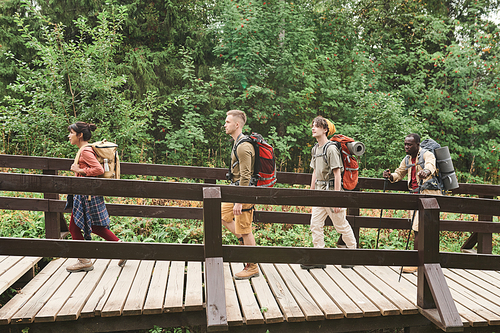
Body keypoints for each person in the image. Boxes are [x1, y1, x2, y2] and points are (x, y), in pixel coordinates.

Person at [66, 121, 126, 272]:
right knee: (94, 226)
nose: (69, 136)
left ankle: (84, 260)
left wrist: (79, 169)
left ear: (80, 135)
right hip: (87, 194)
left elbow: (98, 169)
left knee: (74, 227)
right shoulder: (85, 149)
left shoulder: (85, 151)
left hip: (86, 196)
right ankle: (121, 248)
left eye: (72, 133)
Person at [301, 116, 357, 270]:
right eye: (313, 125)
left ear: (325, 130)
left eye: (317, 126)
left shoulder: (331, 148)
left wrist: (337, 199)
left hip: (332, 192)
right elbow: (314, 172)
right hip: (319, 193)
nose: (313, 128)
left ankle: (353, 254)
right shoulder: (315, 149)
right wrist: (311, 193)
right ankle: (319, 257)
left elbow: (337, 174)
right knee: (315, 224)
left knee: (341, 225)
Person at [382, 133, 441, 273]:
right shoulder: (407, 159)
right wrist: (390, 176)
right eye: (405, 144)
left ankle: (416, 263)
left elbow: (430, 166)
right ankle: (426, 261)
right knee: (419, 228)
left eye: (409, 144)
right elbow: (399, 173)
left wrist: (425, 172)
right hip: (415, 195)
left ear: (417, 145)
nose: (406, 147)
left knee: (418, 229)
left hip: (428, 195)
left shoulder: (426, 155)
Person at [222, 110, 259, 280]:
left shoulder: (244, 146)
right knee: (221, 215)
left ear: (237, 125)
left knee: (245, 228)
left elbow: (246, 176)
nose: (225, 124)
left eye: (228, 122)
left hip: (243, 192)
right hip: (237, 190)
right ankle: (243, 243)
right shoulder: (238, 143)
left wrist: (239, 200)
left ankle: (252, 266)